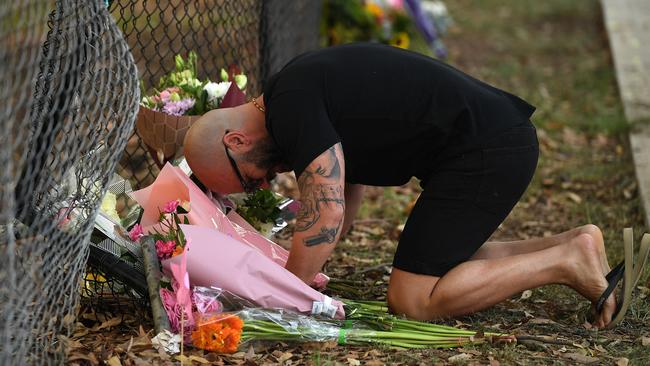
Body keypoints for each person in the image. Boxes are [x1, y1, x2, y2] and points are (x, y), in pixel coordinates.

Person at [183, 43, 618, 328]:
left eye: (247, 179)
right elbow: (343, 190)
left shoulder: (290, 108)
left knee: (412, 298)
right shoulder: (290, 94)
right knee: (442, 270)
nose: (262, 183)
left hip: (486, 151)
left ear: (236, 141)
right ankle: (577, 243)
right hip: (489, 140)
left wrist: (278, 294)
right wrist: (309, 266)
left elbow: (327, 210)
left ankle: (563, 263)